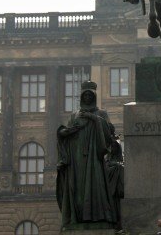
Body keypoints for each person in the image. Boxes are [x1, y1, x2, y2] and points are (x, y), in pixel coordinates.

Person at [56, 81, 116, 230]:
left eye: (90, 95)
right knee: (78, 188)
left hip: (94, 156)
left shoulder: (101, 113)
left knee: (95, 184)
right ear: (82, 97)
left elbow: (110, 133)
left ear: (94, 96)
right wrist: (63, 133)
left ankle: (98, 217)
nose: (88, 97)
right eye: (85, 95)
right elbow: (68, 132)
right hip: (77, 158)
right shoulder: (75, 114)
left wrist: (94, 118)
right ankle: (78, 218)